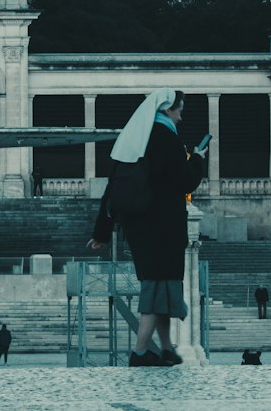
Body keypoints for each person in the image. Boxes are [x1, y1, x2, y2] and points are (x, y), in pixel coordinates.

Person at [88, 88, 206, 368]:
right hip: (164, 227)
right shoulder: (168, 139)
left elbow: (113, 188)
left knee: (160, 285)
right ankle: (140, 352)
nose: (180, 117)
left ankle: (166, 348)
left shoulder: (133, 140)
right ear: (167, 110)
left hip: (138, 227)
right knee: (155, 288)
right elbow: (186, 182)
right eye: (179, 111)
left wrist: (101, 232)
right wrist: (198, 159)